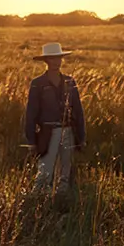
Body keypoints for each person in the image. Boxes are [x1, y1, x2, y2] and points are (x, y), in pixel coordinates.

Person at [23, 42, 85, 196]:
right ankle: (37, 199)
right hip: (48, 132)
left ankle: (61, 200)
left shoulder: (70, 82)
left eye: (59, 58)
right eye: (53, 59)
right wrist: (31, 140)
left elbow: (78, 110)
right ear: (46, 61)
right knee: (45, 169)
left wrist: (82, 136)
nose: (57, 62)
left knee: (65, 170)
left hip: (68, 130)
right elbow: (31, 113)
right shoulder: (37, 84)